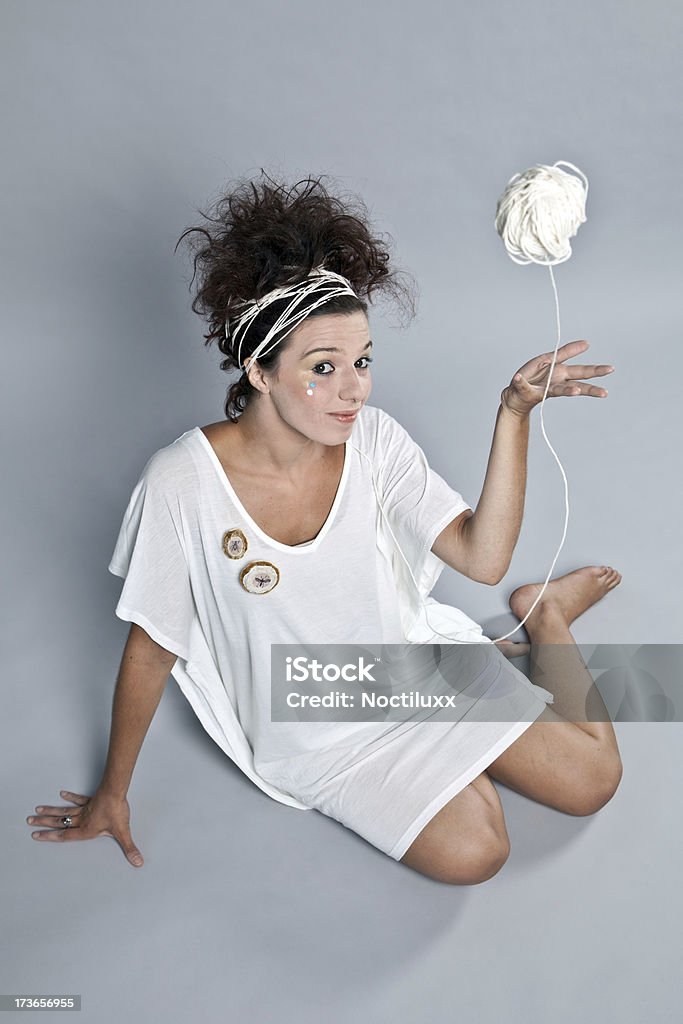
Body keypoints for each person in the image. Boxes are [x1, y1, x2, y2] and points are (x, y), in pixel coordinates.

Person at [27, 172, 623, 885]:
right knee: (477, 853)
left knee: (591, 782)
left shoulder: (373, 441)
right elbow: (152, 649)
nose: (354, 389)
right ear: (260, 371)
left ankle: (546, 613)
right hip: (315, 736)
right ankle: (487, 697)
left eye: (361, 361)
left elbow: (481, 557)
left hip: (409, 671)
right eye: (323, 367)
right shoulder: (181, 483)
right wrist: (112, 792)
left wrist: (513, 413)